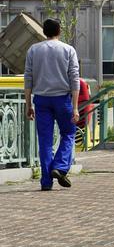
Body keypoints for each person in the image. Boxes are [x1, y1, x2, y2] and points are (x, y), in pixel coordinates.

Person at [24, 19, 80, 191]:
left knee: (45, 141)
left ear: (44, 32)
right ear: (59, 31)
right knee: (69, 132)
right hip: (62, 99)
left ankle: (46, 181)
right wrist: (75, 107)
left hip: (41, 99)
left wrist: (28, 105)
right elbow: (74, 79)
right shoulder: (68, 50)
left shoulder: (34, 50)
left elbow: (28, 78)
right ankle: (60, 167)